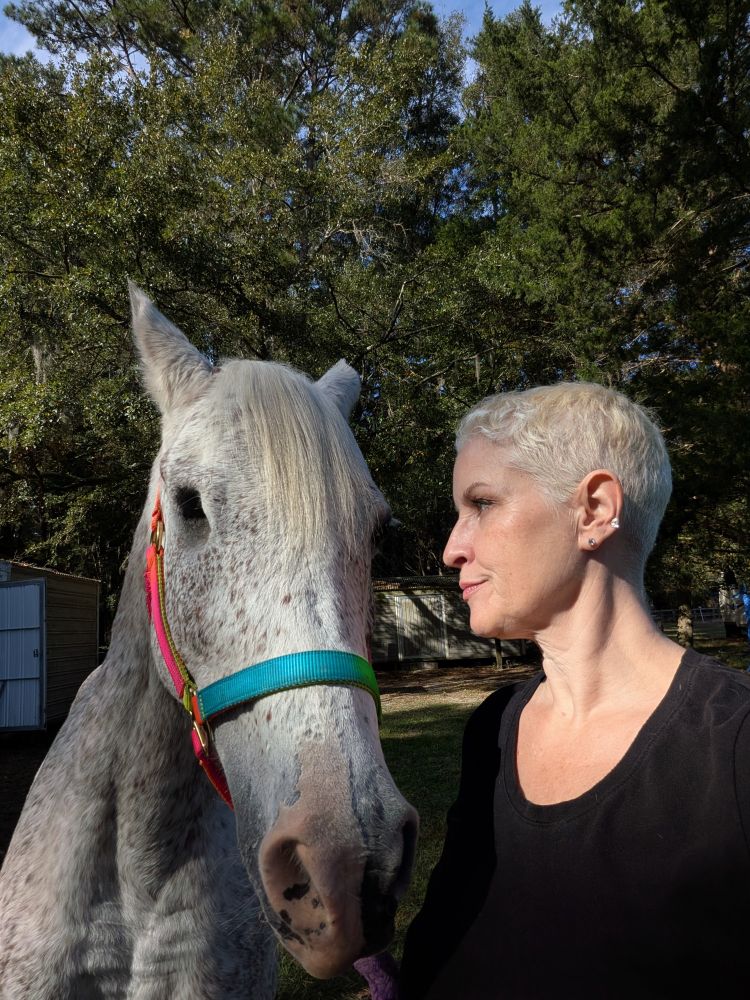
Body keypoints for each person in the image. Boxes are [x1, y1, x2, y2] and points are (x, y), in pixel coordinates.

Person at [399, 382, 750, 999]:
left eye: (482, 503)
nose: (454, 548)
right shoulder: (494, 730)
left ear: (593, 510)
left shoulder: (736, 747)